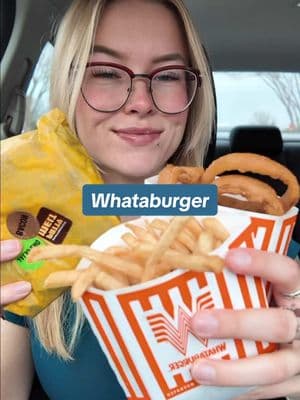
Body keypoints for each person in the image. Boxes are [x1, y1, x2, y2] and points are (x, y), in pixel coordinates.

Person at [1, 1, 299, 399]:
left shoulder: (270, 249)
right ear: (68, 86)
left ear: (193, 93)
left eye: (168, 75)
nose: (140, 101)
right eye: (105, 72)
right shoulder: (26, 249)